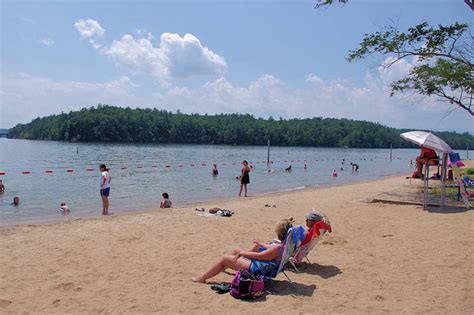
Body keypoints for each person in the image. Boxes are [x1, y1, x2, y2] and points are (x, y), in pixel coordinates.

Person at [191, 220, 293, 283]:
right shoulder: (288, 245)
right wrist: (260, 244)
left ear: (279, 233)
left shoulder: (279, 247)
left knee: (224, 258)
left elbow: (259, 256)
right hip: (270, 267)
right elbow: (270, 252)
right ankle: (223, 267)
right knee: (235, 250)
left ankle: (203, 278)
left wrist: (242, 254)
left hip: (259, 269)